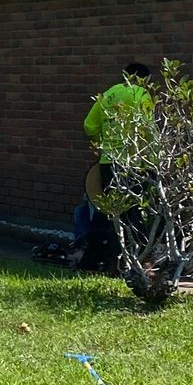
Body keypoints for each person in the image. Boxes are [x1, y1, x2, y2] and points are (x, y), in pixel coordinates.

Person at [67, 62, 155, 267]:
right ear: (144, 80)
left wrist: (103, 144)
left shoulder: (107, 95)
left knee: (106, 212)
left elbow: (89, 126)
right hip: (134, 165)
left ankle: (91, 261)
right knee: (132, 216)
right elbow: (148, 131)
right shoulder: (141, 95)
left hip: (109, 163)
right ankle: (123, 263)